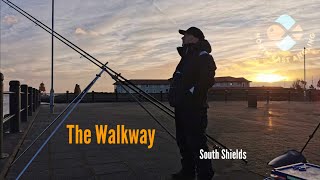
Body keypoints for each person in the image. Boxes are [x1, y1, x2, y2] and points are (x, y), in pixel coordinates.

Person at [168, 27, 216, 180]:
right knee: (183, 142)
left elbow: (207, 80)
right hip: (181, 107)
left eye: (185, 35)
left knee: (197, 144)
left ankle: (205, 174)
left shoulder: (204, 56)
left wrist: (189, 95)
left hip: (194, 109)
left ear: (195, 38)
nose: (182, 39)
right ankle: (188, 172)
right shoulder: (186, 57)